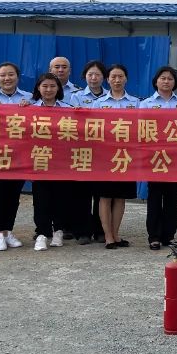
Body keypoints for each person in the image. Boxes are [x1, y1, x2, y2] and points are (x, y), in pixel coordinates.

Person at [0, 62, 32, 251]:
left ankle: (8, 231)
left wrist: (30, 108)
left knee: (13, 195)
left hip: (19, 156)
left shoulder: (28, 98)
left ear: (18, 77)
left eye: (11, 74)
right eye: (2, 75)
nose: (7, 78)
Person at [140, 66, 177, 250]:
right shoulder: (146, 104)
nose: (166, 81)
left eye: (170, 78)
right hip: (154, 157)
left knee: (171, 197)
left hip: (175, 158)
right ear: (156, 81)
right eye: (163, 78)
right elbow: (141, 129)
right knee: (154, 196)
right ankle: (153, 236)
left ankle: (169, 235)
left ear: (174, 82)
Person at [92, 64, 140, 250]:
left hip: (126, 155)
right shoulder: (99, 103)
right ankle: (108, 236)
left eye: (120, 76)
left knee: (120, 196)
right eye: (113, 77)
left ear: (126, 79)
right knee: (105, 196)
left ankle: (116, 233)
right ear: (108, 79)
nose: (117, 80)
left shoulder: (136, 103)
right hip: (105, 155)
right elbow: (92, 128)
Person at [29, 73, 72, 251]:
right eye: (45, 86)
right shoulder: (29, 109)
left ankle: (58, 231)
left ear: (58, 89)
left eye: (53, 86)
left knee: (60, 198)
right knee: (41, 199)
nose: (48, 90)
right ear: (38, 88)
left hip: (61, 162)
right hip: (39, 160)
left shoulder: (69, 109)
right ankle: (42, 233)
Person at [69, 59, 109, 245]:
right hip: (82, 149)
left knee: (100, 192)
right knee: (82, 192)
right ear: (84, 76)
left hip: (103, 151)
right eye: (90, 74)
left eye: (97, 75)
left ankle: (100, 230)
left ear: (104, 77)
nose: (94, 78)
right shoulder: (76, 97)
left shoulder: (110, 97)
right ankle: (83, 231)